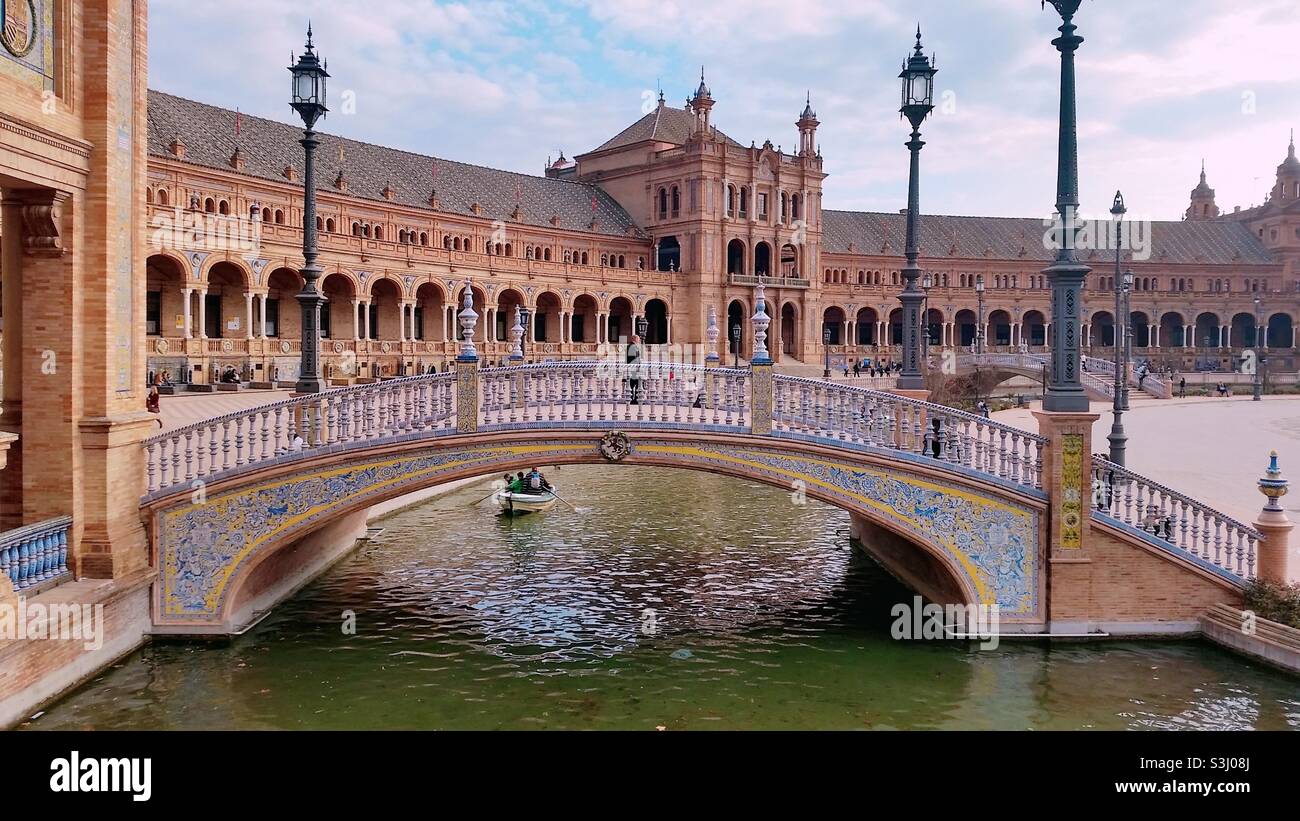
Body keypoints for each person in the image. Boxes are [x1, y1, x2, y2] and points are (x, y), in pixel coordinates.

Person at [626, 334, 643, 405]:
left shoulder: (630, 346)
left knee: (633, 383)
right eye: (638, 339)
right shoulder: (633, 347)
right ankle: (635, 399)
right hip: (634, 368)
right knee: (636, 383)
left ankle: (633, 398)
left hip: (632, 368)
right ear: (635, 339)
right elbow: (634, 358)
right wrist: (638, 366)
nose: (639, 341)